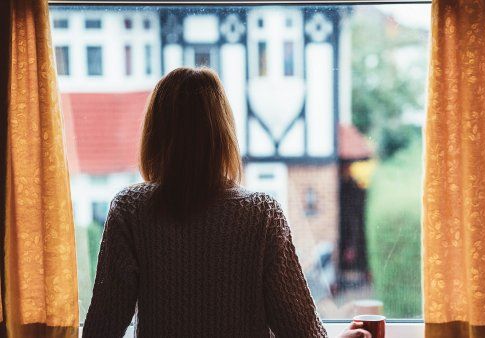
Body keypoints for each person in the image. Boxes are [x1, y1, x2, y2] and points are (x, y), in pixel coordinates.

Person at [82, 67, 372, 338]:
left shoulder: (130, 210)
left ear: (154, 134)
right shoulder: (261, 215)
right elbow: (300, 331)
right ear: (223, 134)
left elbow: (101, 329)